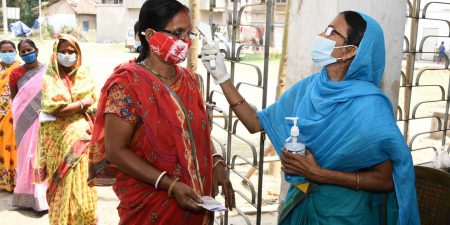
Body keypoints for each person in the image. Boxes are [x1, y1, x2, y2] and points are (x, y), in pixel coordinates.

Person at [201, 11, 420, 225]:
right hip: (302, 204)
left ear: (350, 51)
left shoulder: (369, 106)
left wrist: (320, 174)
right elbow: (255, 123)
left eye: (332, 32)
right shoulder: (311, 87)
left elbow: (387, 179)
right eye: (326, 28)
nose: (322, 35)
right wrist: (223, 77)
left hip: (344, 213)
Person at [89, 1, 235, 224]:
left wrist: (216, 162)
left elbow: (195, 133)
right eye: (177, 33)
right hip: (152, 203)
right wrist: (169, 184)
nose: (185, 42)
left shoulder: (190, 80)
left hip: (197, 198)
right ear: (149, 34)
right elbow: (115, 151)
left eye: (189, 33)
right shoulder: (127, 85)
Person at [34, 34, 97, 225]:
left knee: (82, 186)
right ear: (55, 53)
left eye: (72, 52)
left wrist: (76, 105)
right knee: (60, 184)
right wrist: (81, 103)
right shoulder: (49, 77)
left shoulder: (85, 73)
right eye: (63, 51)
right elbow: (56, 109)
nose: (68, 55)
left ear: (78, 54)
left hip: (82, 141)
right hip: (57, 143)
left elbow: (94, 101)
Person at [10, 39, 48, 212]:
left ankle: (41, 197)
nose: (26, 53)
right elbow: (16, 99)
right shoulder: (15, 74)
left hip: (43, 118)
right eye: (22, 52)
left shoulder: (48, 70)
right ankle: (25, 196)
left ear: (36, 50)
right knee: (26, 155)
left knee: (40, 155)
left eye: (29, 50)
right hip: (23, 121)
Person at [0, 40, 20, 192]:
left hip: (16, 115)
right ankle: (4, 181)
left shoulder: (21, 69)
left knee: (15, 147)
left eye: (10, 50)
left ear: (16, 51)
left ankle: (18, 182)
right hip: (1, 117)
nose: (7, 54)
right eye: (4, 51)